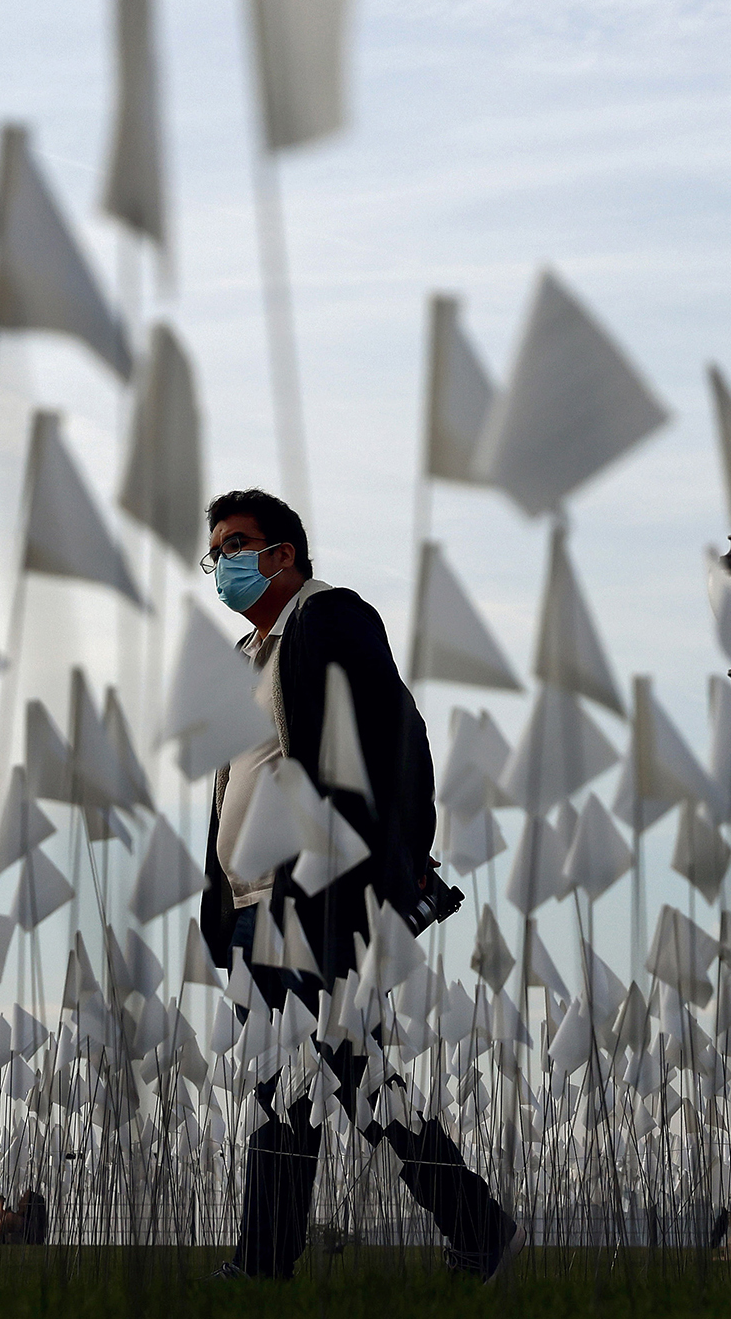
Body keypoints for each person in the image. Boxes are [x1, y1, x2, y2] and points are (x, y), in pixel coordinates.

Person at [197, 488, 521, 1284]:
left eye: (237, 545)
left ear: (284, 553)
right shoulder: (245, 658)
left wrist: (391, 860)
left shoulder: (329, 617)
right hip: (250, 905)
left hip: (310, 896)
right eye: (215, 552)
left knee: (346, 1067)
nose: (223, 565)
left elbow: (393, 737)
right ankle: (268, 1258)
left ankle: (475, 1226)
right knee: (290, 1079)